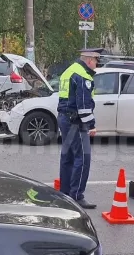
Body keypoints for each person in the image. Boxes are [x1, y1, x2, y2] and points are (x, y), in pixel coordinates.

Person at [56, 48, 101, 209]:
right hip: (76, 121)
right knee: (83, 157)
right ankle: (76, 196)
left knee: (67, 157)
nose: (96, 64)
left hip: (64, 118)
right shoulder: (82, 75)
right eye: (96, 60)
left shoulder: (69, 71)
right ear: (89, 60)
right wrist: (91, 125)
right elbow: (83, 106)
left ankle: (65, 193)